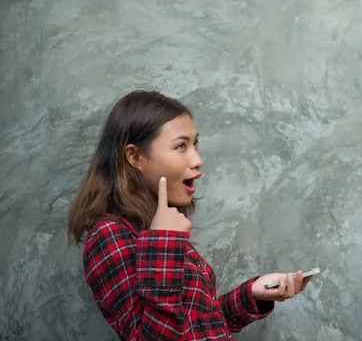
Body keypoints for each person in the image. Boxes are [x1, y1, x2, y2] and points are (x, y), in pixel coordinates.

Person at [66, 90, 312, 340]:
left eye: (195, 144)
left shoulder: (154, 229)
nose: (198, 159)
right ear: (136, 156)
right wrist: (164, 243)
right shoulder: (109, 236)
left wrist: (251, 295)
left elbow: (194, 328)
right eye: (181, 146)